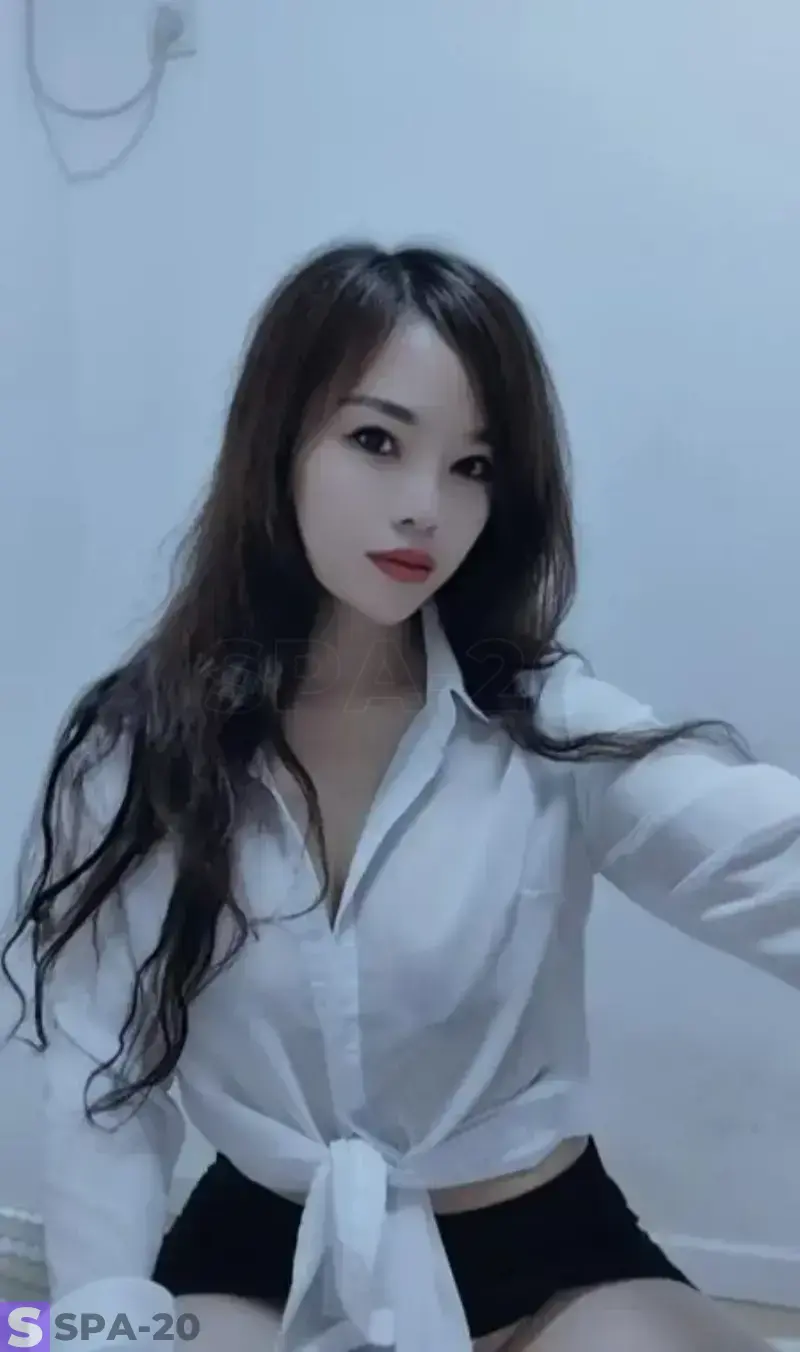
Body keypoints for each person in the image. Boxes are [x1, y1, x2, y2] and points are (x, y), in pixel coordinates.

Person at [2, 243, 798, 1352]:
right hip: (260, 1248)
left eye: (472, 465)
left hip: (543, 1248)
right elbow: (105, 1072)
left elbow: (768, 862)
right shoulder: (140, 752)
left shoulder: (544, 727)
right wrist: (97, 1320)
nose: (425, 506)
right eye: (376, 441)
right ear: (278, 440)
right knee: (64, 1340)